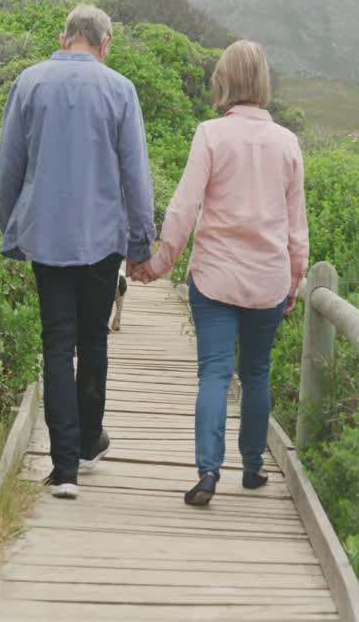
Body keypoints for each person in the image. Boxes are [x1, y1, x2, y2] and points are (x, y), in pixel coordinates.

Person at [130, 40, 309, 506]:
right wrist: (294, 277)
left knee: (213, 373)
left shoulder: (210, 134)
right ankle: (252, 468)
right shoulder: (288, 143)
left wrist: (160, 262)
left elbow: (185, 205)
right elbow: (297, 223)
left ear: (224, 81)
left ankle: (208, 473)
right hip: (267, 279)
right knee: (256, 373)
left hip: (214, 277)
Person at [0, 4, 156, 500]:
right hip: (103, 239)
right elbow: (136, 174)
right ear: (104, 44)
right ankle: (88, 442)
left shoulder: (29, 83)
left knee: (57, 344)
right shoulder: (120, 90)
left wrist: (12, 228)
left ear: (65, 37)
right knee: (95, 340)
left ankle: (64, 468)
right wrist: (140, 241)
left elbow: (8, 167)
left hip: (46, 236)